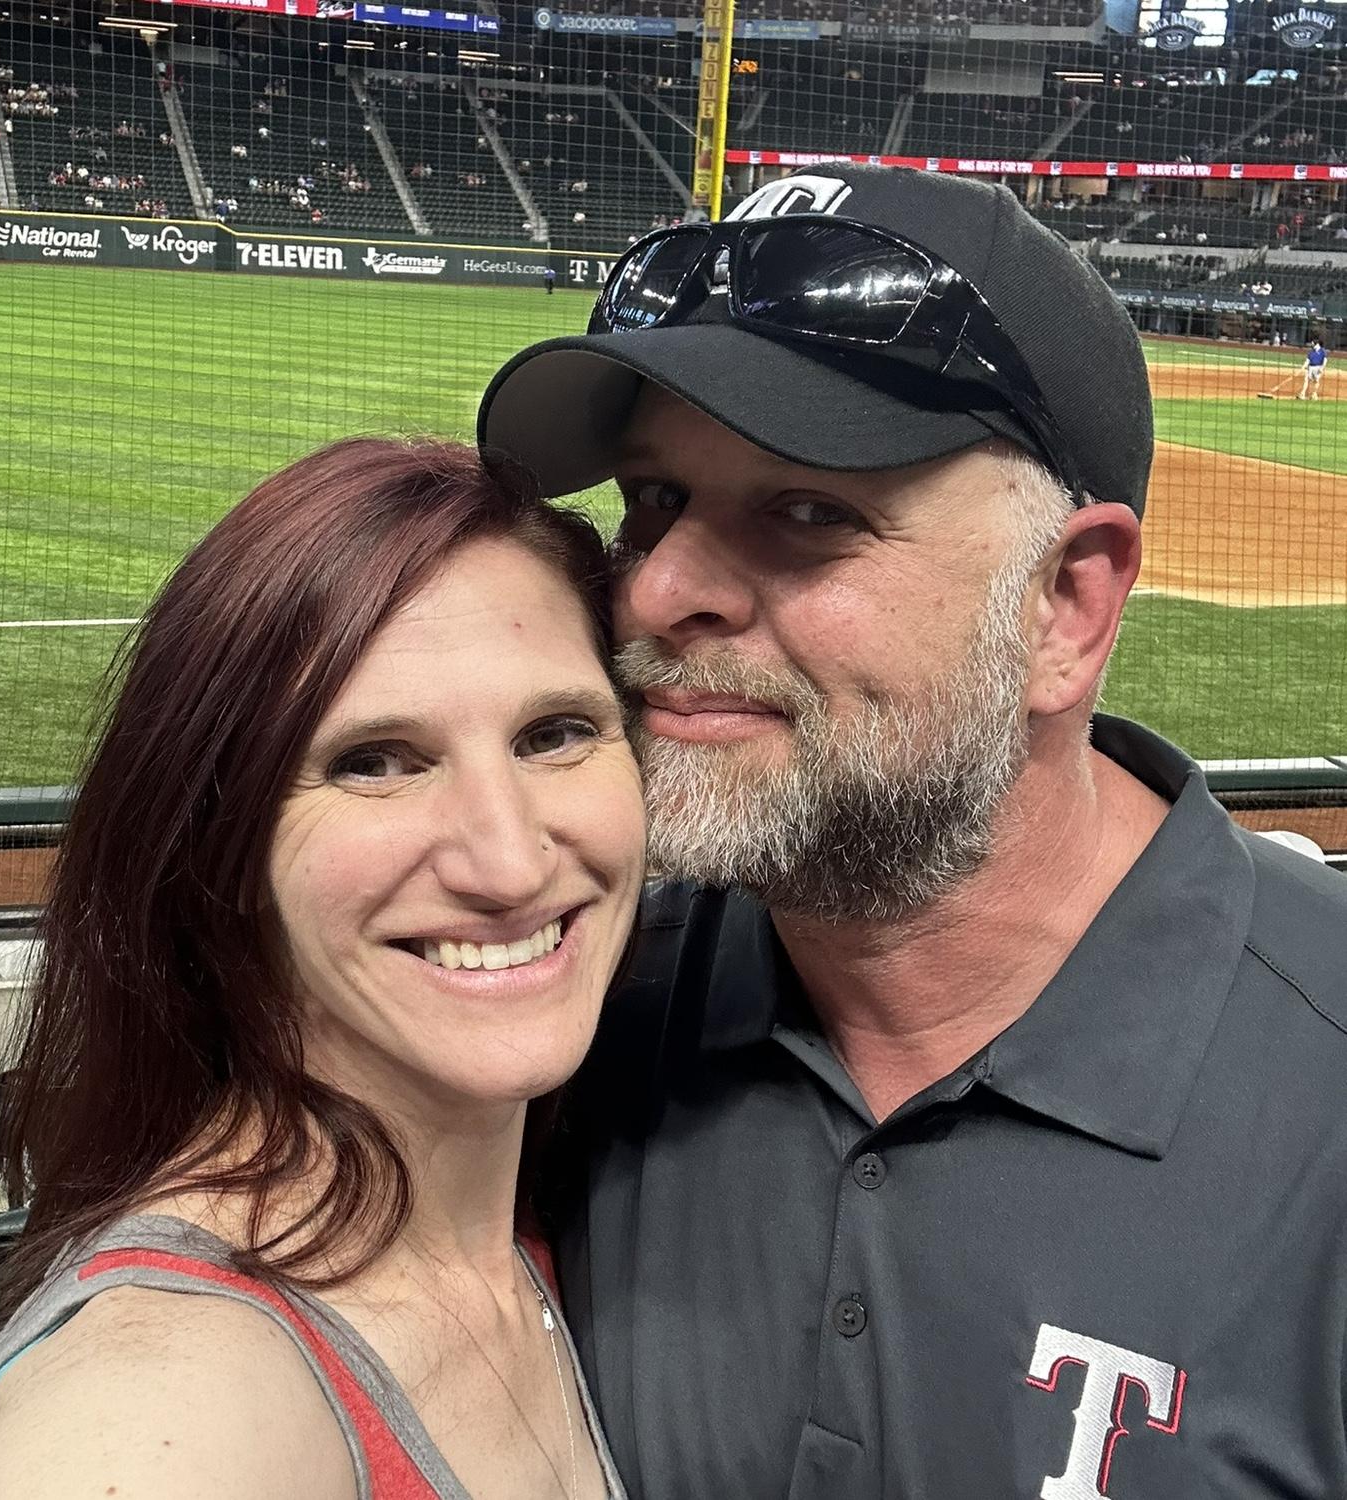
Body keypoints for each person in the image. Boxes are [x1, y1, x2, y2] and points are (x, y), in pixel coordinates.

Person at [478, 165, 1347, 1498]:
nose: (656, 590)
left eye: (809, 512)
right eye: (652, 499)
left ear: (1065, 607)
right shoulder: (572, 1002)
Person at [0, 439, 645, 1500]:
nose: (508, 864)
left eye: (555, 734)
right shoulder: (158, 1413)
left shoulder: (549, 1223)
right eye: (373, 762)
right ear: (223, 848)